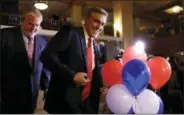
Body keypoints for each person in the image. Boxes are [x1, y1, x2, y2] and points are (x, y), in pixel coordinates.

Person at [41, 7, 108, 114]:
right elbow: (46, 56)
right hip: (64, 104)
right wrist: (72, 76)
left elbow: (92, 70)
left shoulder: (95, 45)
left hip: (87, 105)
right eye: (96, 21)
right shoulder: (70, 32)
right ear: (86, 20)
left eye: (102, 24)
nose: (99, 27)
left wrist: (101, 87)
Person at [0, 8, 50, 114]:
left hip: (32, 95)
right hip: (7, 94)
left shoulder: (43, 41)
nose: (33, 28)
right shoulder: (4, 35)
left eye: (37, 25)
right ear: (22, 21)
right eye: (30, 24)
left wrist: (46, 85)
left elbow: (45, 65)